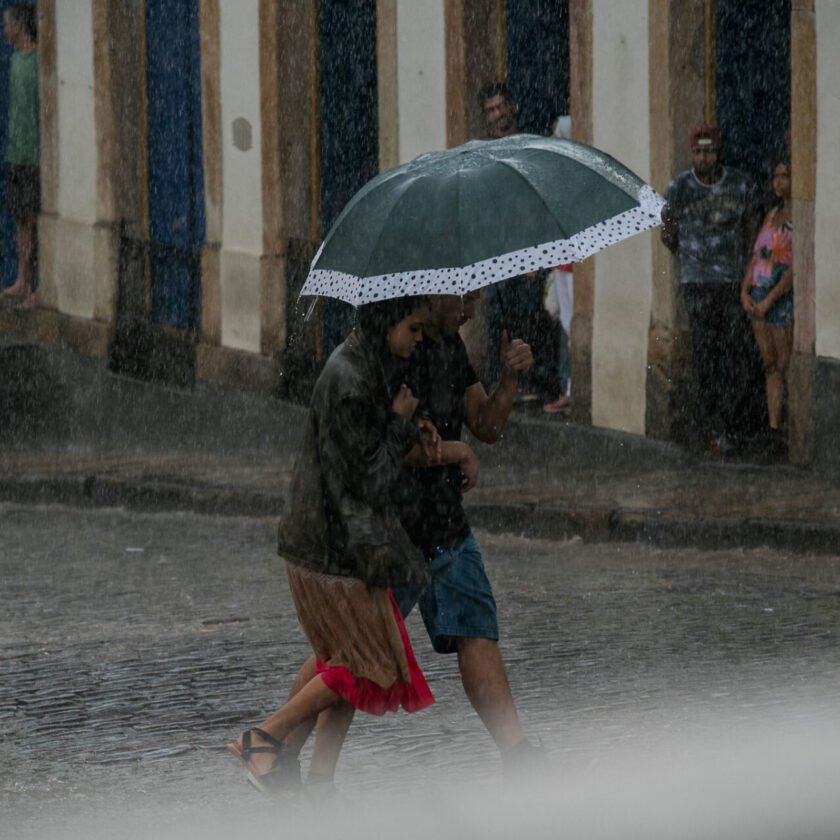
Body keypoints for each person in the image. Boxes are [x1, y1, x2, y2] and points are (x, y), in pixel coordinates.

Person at [266, 291, 541, 799]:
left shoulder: (450, 346)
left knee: (477, 631)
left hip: (446, 525)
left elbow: (487, 424)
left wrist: (508, 379)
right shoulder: (394, 353)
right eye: (462, 298)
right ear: (429, 296)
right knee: (347, 657)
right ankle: (280, 750)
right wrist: (451, 450)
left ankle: (520, 758)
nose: (470, 310)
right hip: (394, 533)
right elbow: (384, 451)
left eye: (476, 298)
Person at [226, 296, 438, 795]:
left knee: (348, 665)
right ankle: (263, 737)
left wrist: (402, 424)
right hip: (332, 551)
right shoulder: (349, 378)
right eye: (414, 328)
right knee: (364, 665)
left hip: (338, 546)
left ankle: (314, 781)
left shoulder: (364, 365)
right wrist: (402, 423)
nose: (419, 339)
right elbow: (369, 480)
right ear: (388, 323)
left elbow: (363, 453)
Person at [661, 123, 757, 455]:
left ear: (720, 151)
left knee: (735, 356)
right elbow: (668, 233)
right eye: (699, 152)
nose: (704, 157)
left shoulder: (741, 184)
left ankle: (734, 425)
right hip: (697, 284)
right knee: (706, 357)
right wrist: (693, 259)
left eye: (710, 151)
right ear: (692, 154)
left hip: (732, 283)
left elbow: (750, 230)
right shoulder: (679, 188)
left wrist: (741, 268)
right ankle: (711, 427)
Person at [479, 82, 561, 403]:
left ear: (512, 107)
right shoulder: (484, 155)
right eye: (490, 111)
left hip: (529, 246)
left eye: (500, 107)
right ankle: (503, 383)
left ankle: (534, 382)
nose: (497, 115)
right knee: (498, 317)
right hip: (497, 249)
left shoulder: (532, 147)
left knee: (530, 314)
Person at [739, 158, 793, 458]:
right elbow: (758, 254)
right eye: (775, 176)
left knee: (783, 366)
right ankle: (772, 429)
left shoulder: (797, 217)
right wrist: (745, 290)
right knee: (770, 364)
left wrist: (770, 299)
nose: (778, 182)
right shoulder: (772, 214)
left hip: (778, 299)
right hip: (758, 296)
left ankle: (783, 429)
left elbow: (793, 269)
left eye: (785, 176)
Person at [1, 4, 39, 308]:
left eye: (7, 25)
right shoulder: (14, 61)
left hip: (35, 154)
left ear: (19, 27)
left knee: (36, 217)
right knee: (20, 218)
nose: (4, 31)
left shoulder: (39, 60)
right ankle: (22, 279)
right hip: (16, 152)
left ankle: (37, 287)